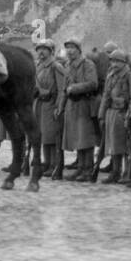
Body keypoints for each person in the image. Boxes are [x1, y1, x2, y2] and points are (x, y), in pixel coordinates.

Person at [98, 49, 131, 184]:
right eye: (112, 61)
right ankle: (115, 172)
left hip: (124, 114)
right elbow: (105, 96)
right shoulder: (111, 76)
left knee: (127, 146)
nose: (114, 64)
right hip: (112, 113)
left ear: (124, 62)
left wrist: (130, 115)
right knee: (114, 145)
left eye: (118, 61)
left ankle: (128, 172)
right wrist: (101, 114)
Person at [62, 38, 100, 181]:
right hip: (72, 105)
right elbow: (64, 88)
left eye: (72, 48)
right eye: (68, 48)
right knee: (77, 137)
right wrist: (61, 106)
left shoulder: (88, 64)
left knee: (86, 138)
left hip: (85, 104)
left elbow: (93, 83)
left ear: (79, 50)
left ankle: (88, 169)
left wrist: (75, 88)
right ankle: (80, 168)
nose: (70, 51)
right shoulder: (68, 65)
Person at [32, 39, 68, 179]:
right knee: (42, 134)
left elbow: (61, 89)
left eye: (44, 49)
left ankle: (54, 164)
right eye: (39, 49)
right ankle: (46, 162)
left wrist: (59, 106)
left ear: (51, 51)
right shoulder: (38, 66)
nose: (41, 52)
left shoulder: (56, 66)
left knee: (51, 135)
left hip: (51, 104)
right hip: (39, 104)